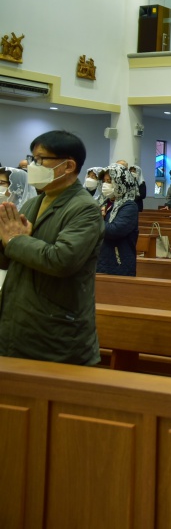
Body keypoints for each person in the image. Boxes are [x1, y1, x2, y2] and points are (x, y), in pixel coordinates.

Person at [0, 130, 104, 365]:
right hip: (18, 323)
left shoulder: (84, 208)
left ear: (68, 166)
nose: (34, 165)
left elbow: (61, 260)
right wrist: (3, 239)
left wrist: (16, 240)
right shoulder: (33, 202)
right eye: (34, 158)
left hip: (56, 333)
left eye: (41, 159)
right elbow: (9, 256)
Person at [97, 164, 138, 276]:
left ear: (121, 182)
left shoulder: (129, 206)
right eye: (104, 181)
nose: (105, 184)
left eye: (109, 181)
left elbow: (114, 231)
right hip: (99, 259)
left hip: (118, 263)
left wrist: (95, 219)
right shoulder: (102, 202)